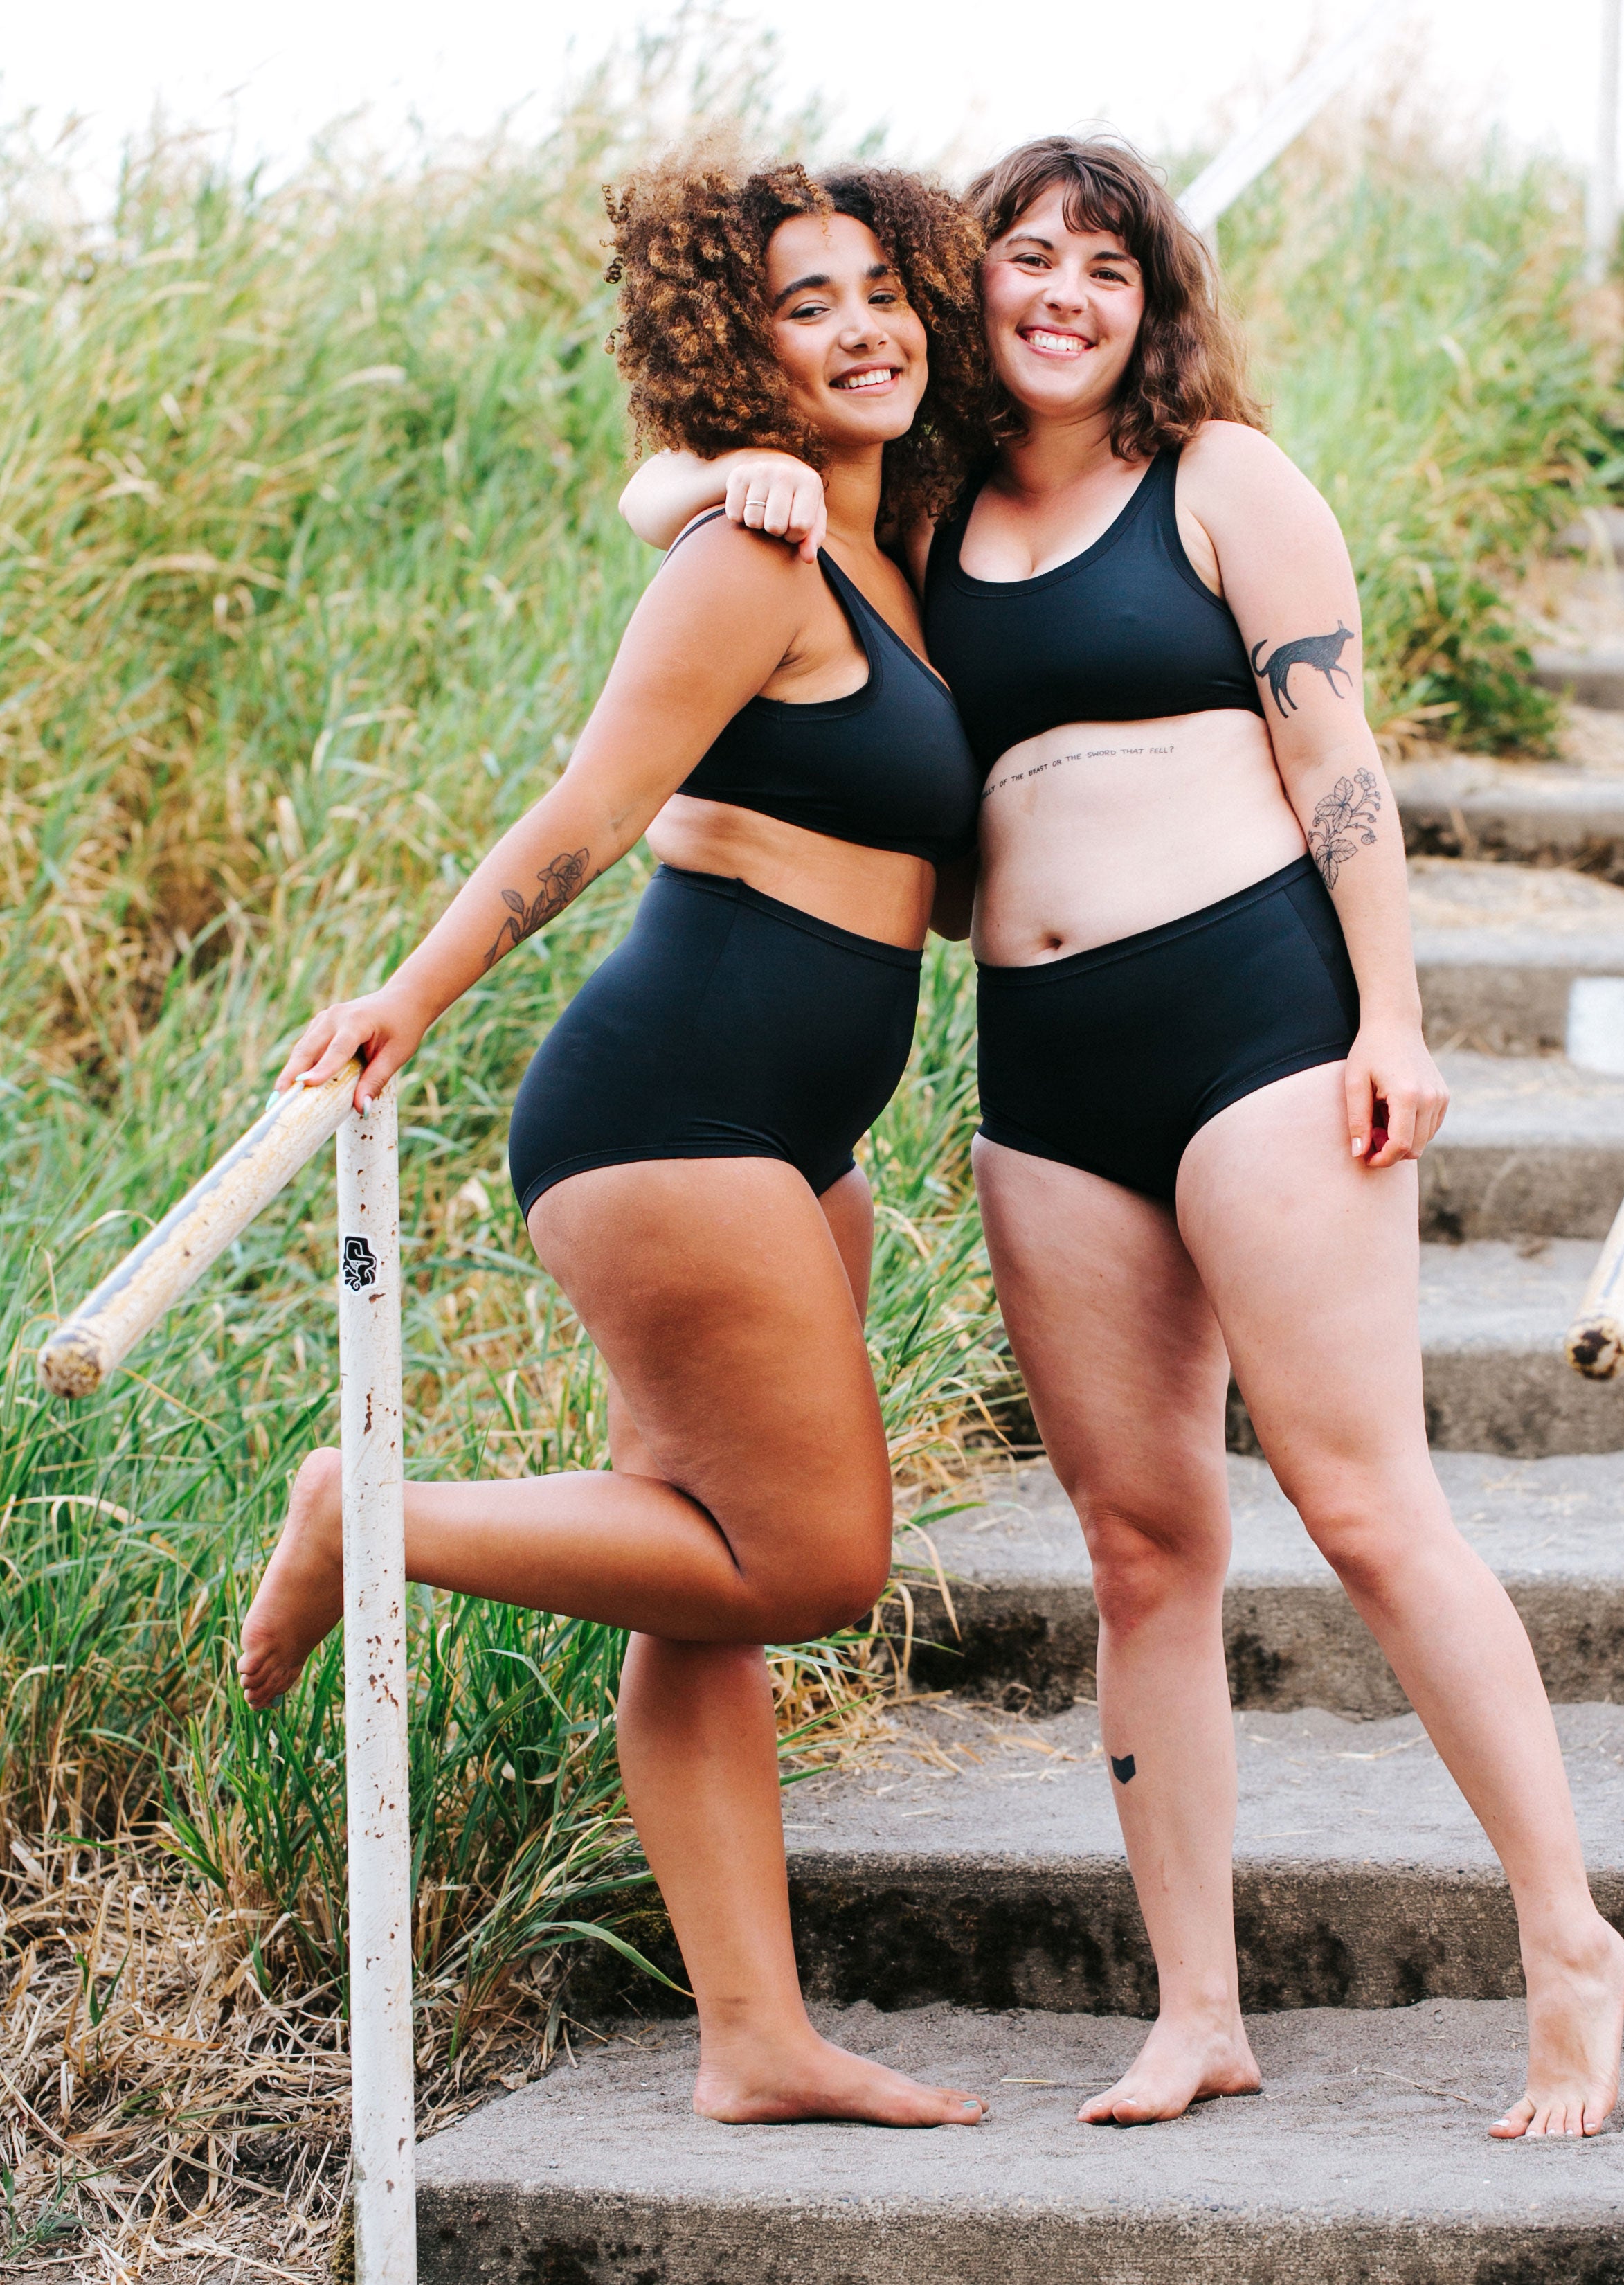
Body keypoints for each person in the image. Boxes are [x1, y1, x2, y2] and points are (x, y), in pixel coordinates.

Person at [621, 133, 1624, 2140]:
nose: (1062, 292)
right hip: (1051, 1074)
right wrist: (688, 479)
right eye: (1022, 259)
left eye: (1105, 261)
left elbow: (1332, 752)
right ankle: (1197, 2008)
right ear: (965, 290)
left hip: (1259, 1022)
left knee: (1362, 1507)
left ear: (1152, 292)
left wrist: (1397, 1019)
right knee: (1141, 1546)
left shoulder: (1224, 480)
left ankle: (1569, 1938)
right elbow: (702, 505)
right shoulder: (924, 503)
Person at [237, 152, 993, 2129]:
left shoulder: (876, 536)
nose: (861, 325)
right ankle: (362, 1510)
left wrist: (696, 472)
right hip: (674, 1111)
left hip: (782, 1127)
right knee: (812, 1562)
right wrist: (411, 992)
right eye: (803, 304)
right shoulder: (751, 557)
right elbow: (591, 799)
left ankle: (754, 2036)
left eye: (879, 288)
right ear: (731, 347)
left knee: (698, 1579)